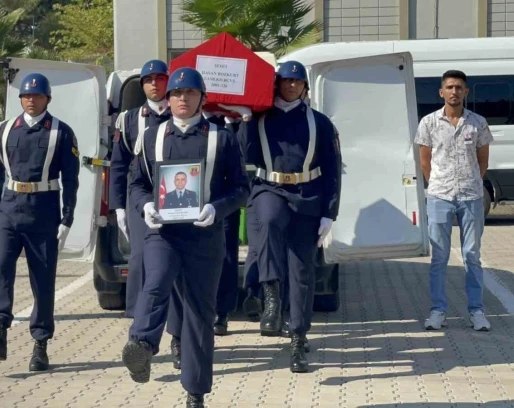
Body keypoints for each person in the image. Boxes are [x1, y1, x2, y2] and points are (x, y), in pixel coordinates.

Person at [121, 67, 249, 408]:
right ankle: (142, 345)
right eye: (176, 93)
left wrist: (217, 209)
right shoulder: (152, 137)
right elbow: (136, 184)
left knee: (198, 315)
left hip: (204, 237)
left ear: (202, 99)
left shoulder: (221, 138)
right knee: (156, 281)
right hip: (163, 233)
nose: (182, 98)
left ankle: (195, 392)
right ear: (168, 98)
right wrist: (145, 205)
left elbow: (241, 189)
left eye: (189, 93)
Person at [0, 73, 80, 371]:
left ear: (47, 99)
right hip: (9, 209)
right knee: (1, 270)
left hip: (44, 212)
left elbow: (71, 180)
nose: (31, 100)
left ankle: (40, 346)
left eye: (37, 96)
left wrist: (67, 219)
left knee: (42, 281)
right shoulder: (5, 130)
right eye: (26, 96)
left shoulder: (61, 132)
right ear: (20, 99)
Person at [240, 60, 342, 373]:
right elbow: (244, 155)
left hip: (308, 196)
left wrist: (329, 212)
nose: (292, 86)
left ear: (305, 87)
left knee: (302, 271)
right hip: (270, 188)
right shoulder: (260, 119)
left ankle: (298, 336)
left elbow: (334, 169)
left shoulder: (320, 123)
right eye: (286, 81)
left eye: (297, 82)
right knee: (268, 220)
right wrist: (244, 120)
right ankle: (271, 297)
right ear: (277, 83)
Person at [414, 69, 493, 332]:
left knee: (472, 255)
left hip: (471, 196)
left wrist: (472, 181)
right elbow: (425, 161)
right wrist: (437, 184)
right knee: (439, 257)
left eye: (459, 87)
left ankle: (477, 311)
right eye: (449, 87)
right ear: (441, 92)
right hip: (439, 196)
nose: (454, 92)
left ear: (466, 92)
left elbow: (483, 160)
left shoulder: (478, 123)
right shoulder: (428, 123)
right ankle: (438, 311)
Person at [110, 59, 171, 318]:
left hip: (178, 195)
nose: (154, 84)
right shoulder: (129, 120)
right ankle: (137, 315)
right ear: (142, 85)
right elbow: (118, 166)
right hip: (140, 196)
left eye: (159, 78)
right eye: (148, 80)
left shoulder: (182, 115)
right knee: (139, 258)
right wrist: (118, 207)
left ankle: (174, 313)